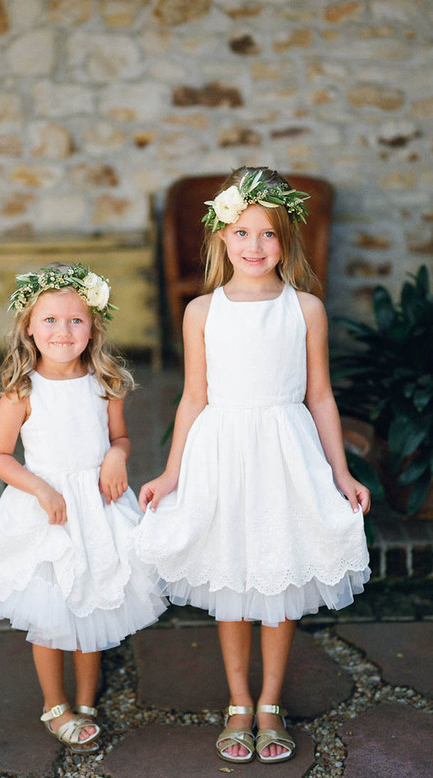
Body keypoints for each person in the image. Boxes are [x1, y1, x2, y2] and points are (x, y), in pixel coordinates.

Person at [136, 167, 370, 765]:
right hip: (223, 452)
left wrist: (340, 472)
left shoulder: (306, 308)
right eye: (242, 233)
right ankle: (238, 700)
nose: (254, 246)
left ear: (285, 240)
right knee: (234, 579)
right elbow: (193, 396)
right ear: (221, 238)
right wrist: (171, 472)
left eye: (267, 234)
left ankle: (270, 703)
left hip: (285, 453)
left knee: (279, 575)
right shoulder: (201, 311)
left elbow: (320, 395)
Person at [0, 262, 166, 755]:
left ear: (94, 327)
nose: (63, 331)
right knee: (53, 610)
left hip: (98, 504)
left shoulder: (105, 382)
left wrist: (116, 456)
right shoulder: (21, 391)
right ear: (29, 328)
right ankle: (55, 703)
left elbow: (120, 437)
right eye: (50, 321)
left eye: (76, 321)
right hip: (49, 509)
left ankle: (87, 698)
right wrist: (40, 490)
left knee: (95, 597)